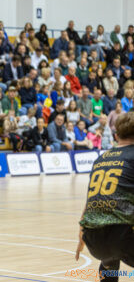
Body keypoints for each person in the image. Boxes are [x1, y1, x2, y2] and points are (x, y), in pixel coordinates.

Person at [75, 112, 134, 282]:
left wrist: (81, 234)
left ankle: (108, 269)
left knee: (110, 259)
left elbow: (90, 202)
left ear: (116, 135)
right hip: (122, 236)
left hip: (93, 239)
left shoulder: (100, 159)